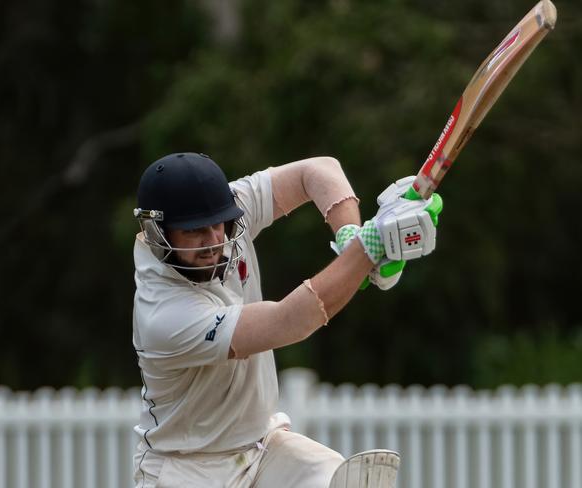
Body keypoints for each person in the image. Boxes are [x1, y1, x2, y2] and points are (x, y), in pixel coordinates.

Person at [131, 152, 442, 488]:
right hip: (186, 468)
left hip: (260, 448)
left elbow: (319, 170)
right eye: (193, 232)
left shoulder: (228, 209)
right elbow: (288, 321)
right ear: (157, 232)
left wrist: (350, 235)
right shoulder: (163, 313)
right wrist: (369, 248)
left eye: (216, 225)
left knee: (342, 481)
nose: (212, 243)